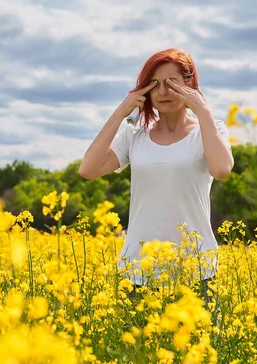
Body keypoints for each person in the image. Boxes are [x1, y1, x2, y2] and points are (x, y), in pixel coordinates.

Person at [79, 48, 234, 308]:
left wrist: (203, 110)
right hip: (139, 271)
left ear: (190, 86)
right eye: (155, 85)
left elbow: (221, 170)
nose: (162, 92)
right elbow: (88, 169)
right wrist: (121, 112)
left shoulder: (210, 130)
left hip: (197, 271)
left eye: (172, 84)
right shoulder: (134, 135)